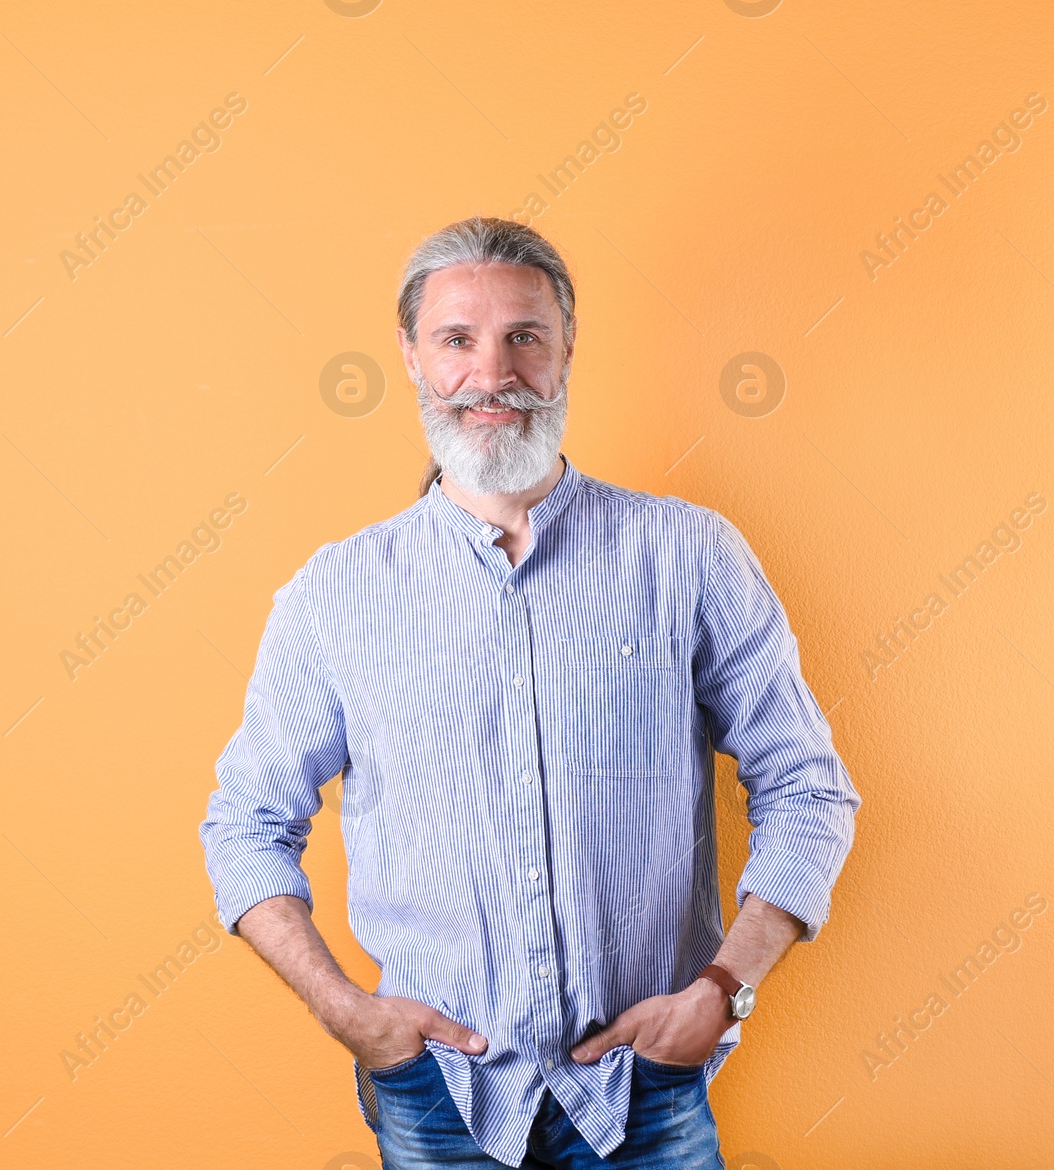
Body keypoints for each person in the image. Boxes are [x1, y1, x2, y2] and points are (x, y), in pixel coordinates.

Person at [198, 215, 861, 1168]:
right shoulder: (335, 593)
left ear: (566, 350)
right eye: (457, 340)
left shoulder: (689, 555)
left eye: (524, 336)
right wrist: (347, 1012)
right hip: (437, 1095)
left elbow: (809, 786)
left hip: (645, 1092)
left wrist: (722, 989)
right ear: (412, 357)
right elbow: (244, 825)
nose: (492, 372)